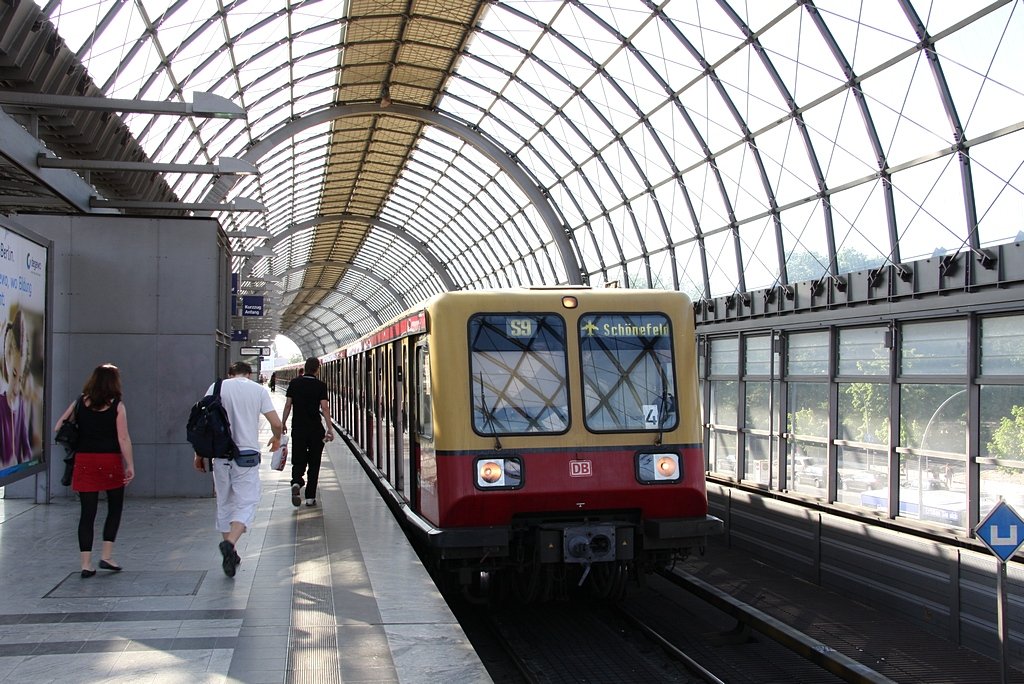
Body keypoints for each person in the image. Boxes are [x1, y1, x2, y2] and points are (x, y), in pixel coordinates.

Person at [193, 361, 281, 577]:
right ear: (249, 374)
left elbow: (202, 424)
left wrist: (199, 454)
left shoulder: (216, 387)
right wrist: (276, 438)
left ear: (229, 374)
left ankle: (231, 554)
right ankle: (230, 543)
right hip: (246, 456)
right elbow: (277, 423)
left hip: (220, 455)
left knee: (224, 503)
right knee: (247, 502)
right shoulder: (258, 390)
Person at [53, 363, 135, 578]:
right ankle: (106, 556)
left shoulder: (80, 402)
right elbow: (123, 438)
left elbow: (58, 426)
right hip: (110, 461)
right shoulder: (117, 406)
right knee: (114, 508)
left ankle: (86, 564)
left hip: (84, 460)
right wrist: (130, 465)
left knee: (87, 513)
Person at [281, 357, 333, 507]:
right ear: (317, 369)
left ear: (305, 368)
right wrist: (329, 428)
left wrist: (283, 423)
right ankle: (310, 497)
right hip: (316, 429)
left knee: (298, 458)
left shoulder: (294, 383)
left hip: (298, 428)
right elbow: (324, 408)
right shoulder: (320, 385)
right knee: (314, 462)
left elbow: (288, 405)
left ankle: (296, 482)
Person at [1, 304, 33, 467]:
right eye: (14, 375)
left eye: (20, 379)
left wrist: (26, 461)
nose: (16, 388)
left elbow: (26, 448)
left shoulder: (21, 404)